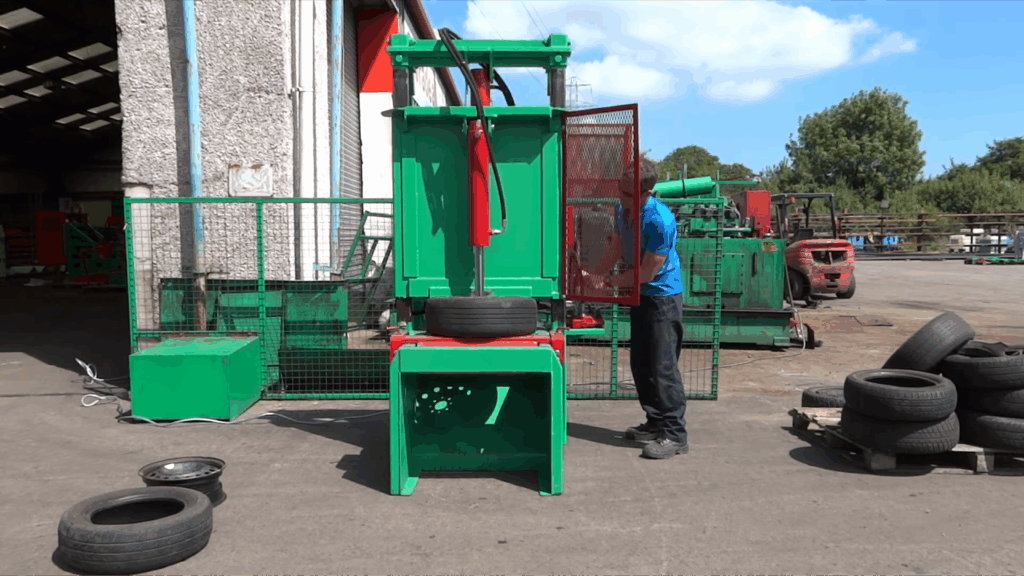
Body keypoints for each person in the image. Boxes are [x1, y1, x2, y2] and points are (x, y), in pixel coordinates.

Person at [585, 157, 688, 459]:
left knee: (663, 367)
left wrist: (610, 282)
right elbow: (616, 243)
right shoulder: (622, 209)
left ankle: (675, 434)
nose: (620, 197)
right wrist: (599, 273)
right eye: (620, 190)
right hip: (639, 296)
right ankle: (655, 423)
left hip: (662, 298)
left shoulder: (660, 220)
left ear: (645, 192)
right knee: (641, 364)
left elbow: (647, 273)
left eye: (627, 193)